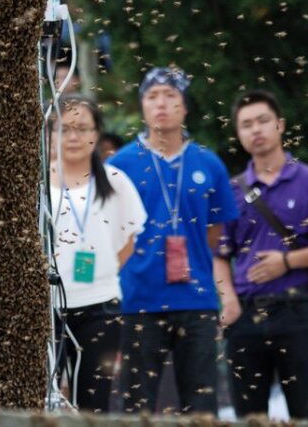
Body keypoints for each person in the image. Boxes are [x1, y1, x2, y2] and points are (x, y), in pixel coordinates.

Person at [213, 89, 308, 419]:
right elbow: (218, 253)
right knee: (248, 416)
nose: (256, 130)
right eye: (247, 124)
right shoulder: (232, 190)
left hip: (299, 310)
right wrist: (228, 300)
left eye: (263, 121)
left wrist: (287, 262)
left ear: (280, 125)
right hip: (245, 315)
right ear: (238, 134)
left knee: (305, 414)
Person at [109, 67, 239, 415]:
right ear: (142, 107)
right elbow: (109, 232)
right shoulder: (119, 165)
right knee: (137, 405)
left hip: (196, 299)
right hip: (139, 299)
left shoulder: (208, 163)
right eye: (152, 97)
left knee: (201, 405)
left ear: (185, 106)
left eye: (170, 95)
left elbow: (213, 232)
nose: (161, 104)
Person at [48, 95, 147, 413]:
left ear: (97, 134)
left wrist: (100, 274)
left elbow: (128, 241)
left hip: (101, 310)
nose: (73, 137)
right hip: (46, 310)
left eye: (82, 128)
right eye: (64, 129)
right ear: (50, 134)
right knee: (47, 401)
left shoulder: (116, 181)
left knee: (95, 403)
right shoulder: (35, 183)